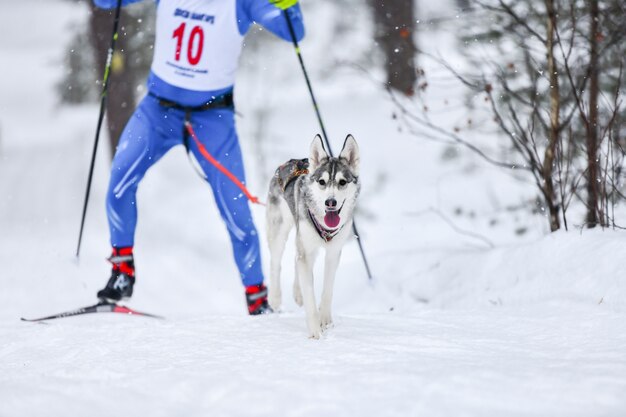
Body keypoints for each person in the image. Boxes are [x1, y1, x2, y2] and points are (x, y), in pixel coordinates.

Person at [93, 0, 305, 315]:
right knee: (120, 180)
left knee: (237, 213)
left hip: (212, 119)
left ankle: (257, 298)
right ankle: (122, 270)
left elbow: (293, 30)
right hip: (157, 111)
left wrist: (288, 3)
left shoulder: (242, 3)